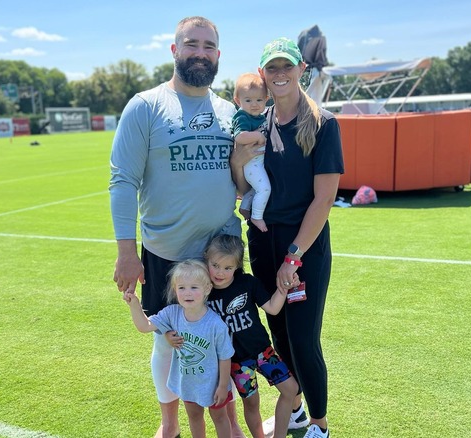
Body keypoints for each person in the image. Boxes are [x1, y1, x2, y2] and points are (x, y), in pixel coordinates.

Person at [109, 16, 245, 438]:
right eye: (192, 44)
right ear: (174, 51)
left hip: (219, 257)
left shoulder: (229, 113)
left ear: (218, 56)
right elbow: (122, 180)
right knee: (168, 339)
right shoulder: (146, 106)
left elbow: (240, 178)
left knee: (225, 338)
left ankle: (227, 415)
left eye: (208, 46)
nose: (200, 53)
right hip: (166, 254)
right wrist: (127, 252)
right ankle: (169, 422)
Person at [229, 37, 344, 438]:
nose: (279, 74)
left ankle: (319, 424)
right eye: (271, 68)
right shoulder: (257, 122)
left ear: (301, 70)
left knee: (302, 336)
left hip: (303, 248)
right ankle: (293, 408)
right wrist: (239, 163)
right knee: (277, 331)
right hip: (263, 242)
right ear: (262, 75)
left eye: (287, 66)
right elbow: (243, 189)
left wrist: (293, 258)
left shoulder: (324, 123)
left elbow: (325, 199)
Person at [167, 234, 300, 438]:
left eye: (228, 268)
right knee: (252, 403)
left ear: (237, 266)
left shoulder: (247, 283)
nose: (220, 272)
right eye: (216, 265)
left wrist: (283, 288)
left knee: (291, 389)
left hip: (263, 351)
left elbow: (273, 308)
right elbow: (182, 316)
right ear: (206, 259)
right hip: (237, 363)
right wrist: (169, 334)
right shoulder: (203, 292)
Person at [124, 260, 235, 438]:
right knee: (194, 416)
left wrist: (223, 386)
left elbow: (225, 357)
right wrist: (134, 304)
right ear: (175, 290)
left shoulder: (215, 324)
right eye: (181, 287)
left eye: (194, 287)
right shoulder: (171, 313)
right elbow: (144, 326)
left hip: (213, 384)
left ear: (207, 289)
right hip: (188, 382)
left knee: (220, 418)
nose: (187, 293)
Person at [231, 73, 270, 233]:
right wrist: (258, 136)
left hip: (257, 162)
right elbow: (240, 136)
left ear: (266, 99)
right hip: (251, 163)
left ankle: (245, 207)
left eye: (259, 100)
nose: (254, 104)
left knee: (255, 189)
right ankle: (257, 216)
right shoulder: (242, 116)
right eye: (248, 100)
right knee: (264, 189)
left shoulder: (260, 116)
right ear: (238, 101)